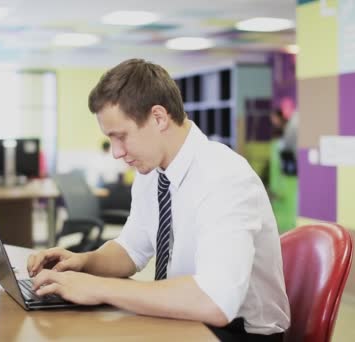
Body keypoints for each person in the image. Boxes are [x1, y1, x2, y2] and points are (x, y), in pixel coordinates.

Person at [27, 59, 290, 341]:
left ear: (159, 118)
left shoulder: (224, 176)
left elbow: (216, 301)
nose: (116, 152)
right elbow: (131, 249)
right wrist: (83, 262)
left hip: (237, 332)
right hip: (186, 318)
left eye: (121, 137)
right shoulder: (152, 172)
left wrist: (97, 288)